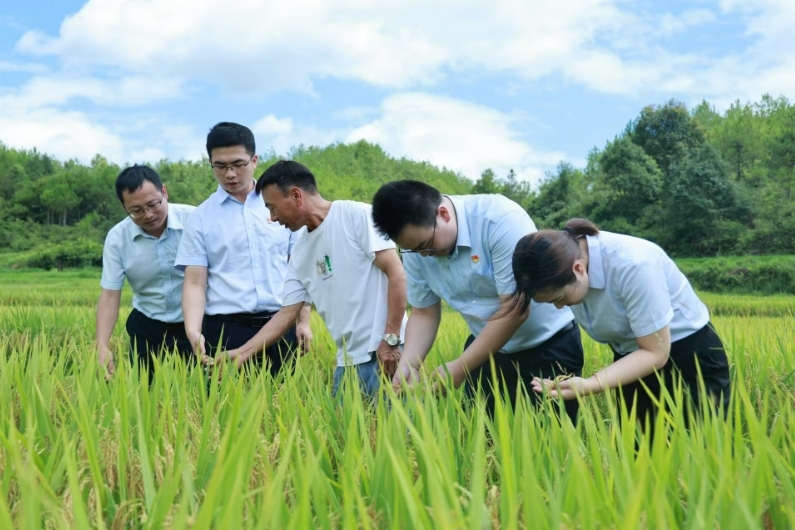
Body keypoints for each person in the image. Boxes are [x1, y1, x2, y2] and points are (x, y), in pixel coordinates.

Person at [371, 180, 584, 418]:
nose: (424, 255)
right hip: (484, 350)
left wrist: (460, 367)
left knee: (547, 443)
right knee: (482, 439)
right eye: (414, 250)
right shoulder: (416, 249)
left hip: (547, 346)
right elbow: (424, 312)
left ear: (442, 214)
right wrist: (409, 364)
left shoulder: (500, 220)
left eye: (426, 246)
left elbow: (515, 308)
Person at [511, 218, 731, 430]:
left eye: (559, 298)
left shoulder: (632, 264)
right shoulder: (561, 262)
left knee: (701, 451)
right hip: (632, 360)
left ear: (578, 269)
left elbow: (656, 353)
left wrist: (590, 384)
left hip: (688, 356)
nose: (560, 307)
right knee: (638, 454)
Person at [222, 160, 408, 397]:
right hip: (347, 362)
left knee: (400, 431)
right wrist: (242, 353)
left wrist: (391, 340)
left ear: (297, 195)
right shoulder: (300, 252)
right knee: (344, 432)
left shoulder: (356, 215)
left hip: (385, 352)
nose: (272, 218)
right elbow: (287, 314)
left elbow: (397, 274)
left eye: (272, 207)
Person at [175, 122, 311, 375]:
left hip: (281, 325)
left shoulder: (282, 206)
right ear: (211, 164)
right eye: (220, 166)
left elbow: (298, 268)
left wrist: (303, 320)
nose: (230, 174)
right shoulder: (201, 217)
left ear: (254, 160)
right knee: (228, 409)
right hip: (226, 330)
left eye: (238, 164)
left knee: (284, 407)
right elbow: (194, 282)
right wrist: (193, 330)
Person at [96, 164, 196, 380]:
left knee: (201, 394)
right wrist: (102, 344)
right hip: (147, 327)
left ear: (164, 192)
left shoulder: (195, 221)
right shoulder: (117, 238)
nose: (148, 215)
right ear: (124, 208)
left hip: (197, 326)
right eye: (137, 210)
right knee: (145, 397)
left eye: (153, 204)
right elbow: (110, 295)